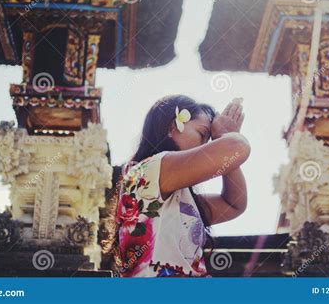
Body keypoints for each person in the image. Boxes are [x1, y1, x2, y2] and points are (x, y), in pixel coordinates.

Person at [103, 95, 251, 277]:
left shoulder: (176, 192)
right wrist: (225, 136)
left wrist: (224, 142)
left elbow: (233, 204)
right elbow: (237, 147)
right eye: (202, 134)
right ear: (172, 126)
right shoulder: (148, 169)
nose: (205, 146)